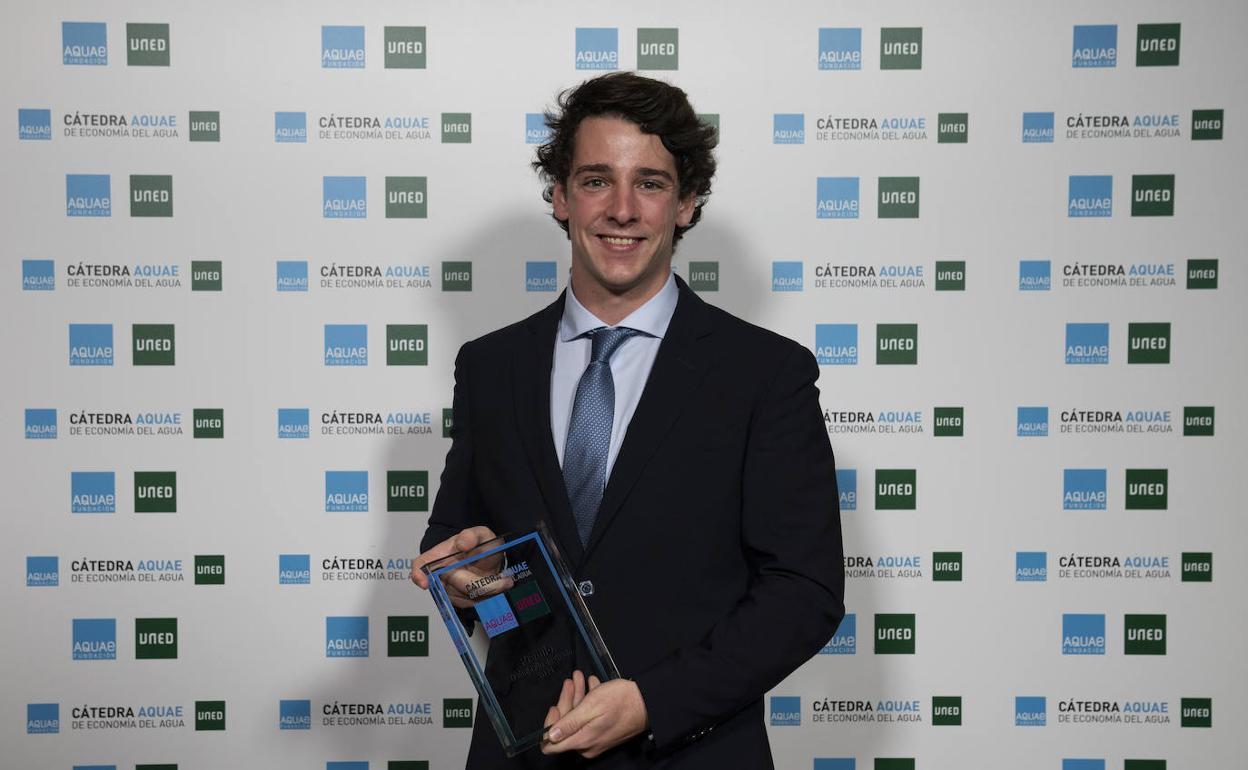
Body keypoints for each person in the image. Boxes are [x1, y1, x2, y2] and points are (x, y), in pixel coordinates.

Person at [411, 72, 844, 769]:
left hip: (692, 750)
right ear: (558, 196)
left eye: (649, 182)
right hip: (523, 751)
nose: (621, 209)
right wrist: (477, 581)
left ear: (686, 203)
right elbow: (474, 563)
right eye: (594, 181)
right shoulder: (492, 367)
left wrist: (652, 701)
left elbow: (804, 592)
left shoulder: (765, 373)